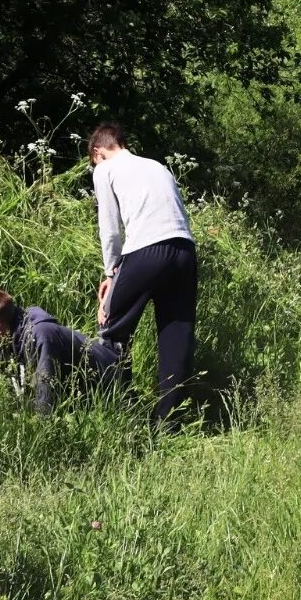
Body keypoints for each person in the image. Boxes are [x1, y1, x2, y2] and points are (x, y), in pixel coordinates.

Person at [90, 122, 198, 428]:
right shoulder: (158, 166)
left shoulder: (104, 170)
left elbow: (109, 229)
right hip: (185, 250)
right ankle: (169, 424)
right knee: (177, 336)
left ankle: (119, 410)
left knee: (112, 329)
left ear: (98, 152)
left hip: (145, 251)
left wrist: (111, 273)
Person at [0, 285, 118, 414]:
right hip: (81, 394)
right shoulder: (8, 336)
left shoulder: (41, 335)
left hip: (112, 393)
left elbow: (46, 401)